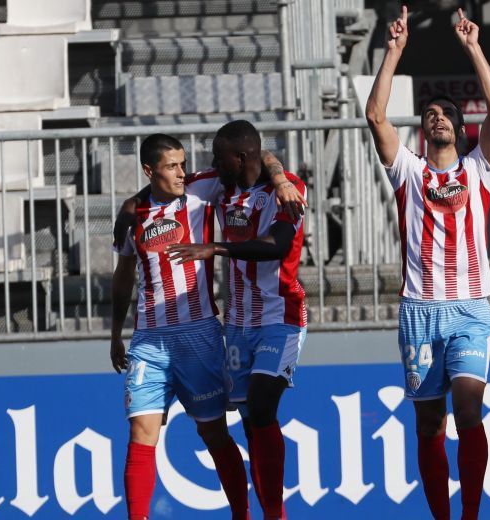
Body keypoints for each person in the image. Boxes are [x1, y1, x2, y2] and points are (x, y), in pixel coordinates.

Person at [111, 133, 301, 520]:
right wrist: (116, 332)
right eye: (172, 166)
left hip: (199, 333)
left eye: (183, 163)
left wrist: (280, 179)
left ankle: (241, 514)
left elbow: (256, 153)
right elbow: (123, 273)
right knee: (140, 433)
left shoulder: (202, 187)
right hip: (148, 337)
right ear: (150, 171)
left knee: (213, 433)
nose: (183, 172)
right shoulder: (134, 214)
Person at [365, 7, 490, 520]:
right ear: (424, 132)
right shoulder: (407, 171)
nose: (437, 116)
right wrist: (395, 49)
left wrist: (472, 47)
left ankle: (469, 514)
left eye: (446, 112)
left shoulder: (478, 171)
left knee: (468, 410)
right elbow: (376, 116)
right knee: (429, 425)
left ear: (460, 129)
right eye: (430, 115)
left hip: (469, 309)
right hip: (419, 312)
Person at [165, 120, 307, 520]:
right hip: (238, 324)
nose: (212, 162)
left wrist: (215, 248)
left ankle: (275, 513)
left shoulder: (289, 188)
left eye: (218, 155)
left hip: (281, 318)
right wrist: (131, 208)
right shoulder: (222, 184)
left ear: (240, 157)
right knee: (249, 424)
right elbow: (171, 189)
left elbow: (276, 246)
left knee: (263, 407)